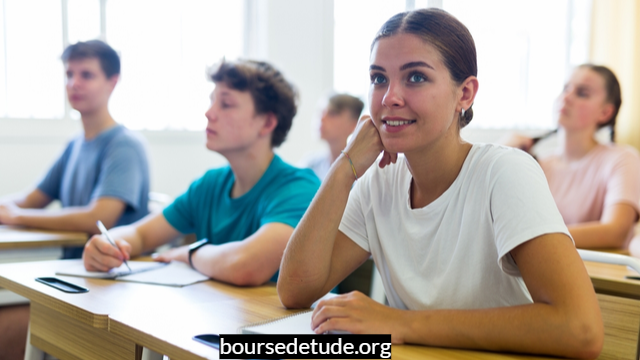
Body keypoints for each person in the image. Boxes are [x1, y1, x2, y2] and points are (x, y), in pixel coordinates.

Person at [278, 8, 603, 359]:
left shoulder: (504, 172)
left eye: (415, 77)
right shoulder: (379, 183)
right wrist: (346, 166)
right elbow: (295, 290)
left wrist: (400, 324)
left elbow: (580, 330)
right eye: (378, 78)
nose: (389, 97)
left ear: (465, 94)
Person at [82, 59, 320, 287]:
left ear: (267, 123)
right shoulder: (210, 184)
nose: (209, 113)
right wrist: (107, 244)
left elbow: (246, 266)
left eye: (225, 104)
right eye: (212, 101)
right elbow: (140, 234)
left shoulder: (299, 188)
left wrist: (189, 253)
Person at [0, 40, 150, 360]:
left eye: (86, 75)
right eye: (69, 74)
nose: (74, 83)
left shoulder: (125, 146)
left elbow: (99, 216)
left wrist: (15, 216)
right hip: (70, 282)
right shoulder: (75, 145)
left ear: (113, 82)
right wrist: (9, 210)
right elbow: (31, 199)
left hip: (108, 293)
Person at [504, 65, 640, 249]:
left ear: (605, 112)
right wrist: (505, 159)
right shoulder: (538, 167)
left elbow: (615, 232)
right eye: (565, 89)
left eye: (582, 93)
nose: (566, 97)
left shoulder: (622, 159)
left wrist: (532, 236)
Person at [299, 94, 364, 180]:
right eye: (321, 112)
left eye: (332, 113)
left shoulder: (363, 172)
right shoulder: (310, 166)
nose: (321, 119)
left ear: (354, 125)